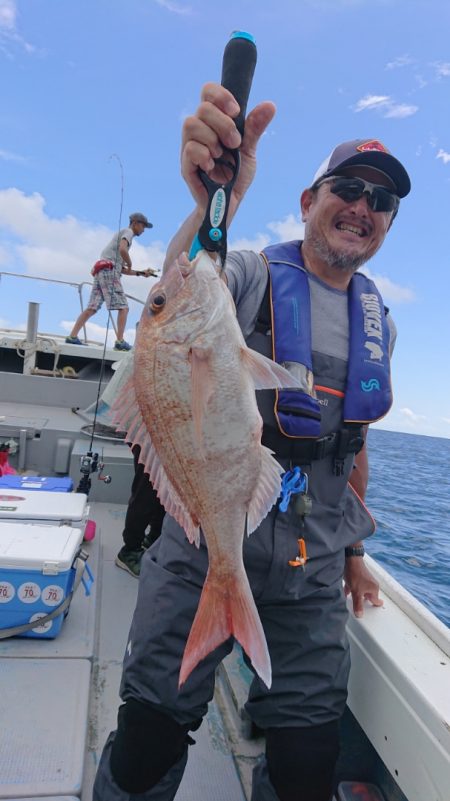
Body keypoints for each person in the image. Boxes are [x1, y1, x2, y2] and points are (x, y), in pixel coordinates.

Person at [93, 82, 411, 801]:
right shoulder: (245, 276)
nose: (362, 205)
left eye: (381, 199)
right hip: (200, 541)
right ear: (307, 200)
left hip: (310, 568)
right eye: (347, 188)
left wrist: (355, 556)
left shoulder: (379, 326)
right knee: (146, 742)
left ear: (387, 223)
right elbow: (177, 290)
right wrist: (219, 201)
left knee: (306, 764)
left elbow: (351, 446)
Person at [66, 212, 157, 351]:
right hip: (109, 271)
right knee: (124, 308)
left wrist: (141, 273)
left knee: (92, 307)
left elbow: (121, 269)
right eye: (143, 226)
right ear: (135, 223)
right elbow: (123, 250)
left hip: (103, 270)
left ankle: (72, 336)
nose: (143, 230)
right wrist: (130, 263)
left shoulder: (122, 236)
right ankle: (120, 342)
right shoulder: (128, 232)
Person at [115, 444, 166, 578]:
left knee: (166, 491)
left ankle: (155, 537)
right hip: (151, 440)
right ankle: (130, 551)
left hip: (173, 443)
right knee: (146, 492)